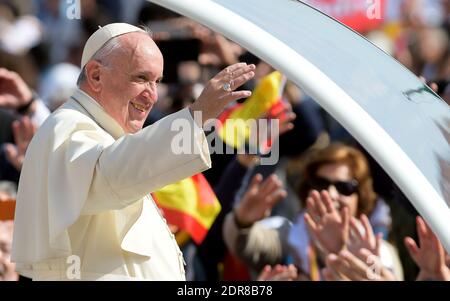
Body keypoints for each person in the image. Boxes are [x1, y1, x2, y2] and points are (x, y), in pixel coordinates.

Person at [11, 23, 255, 280]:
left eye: (156, 81)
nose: (152, 95)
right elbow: (109, 174)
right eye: (141, 78)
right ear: (95, 76)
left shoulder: (105, 133)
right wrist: (196, 117)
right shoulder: (67, 125)